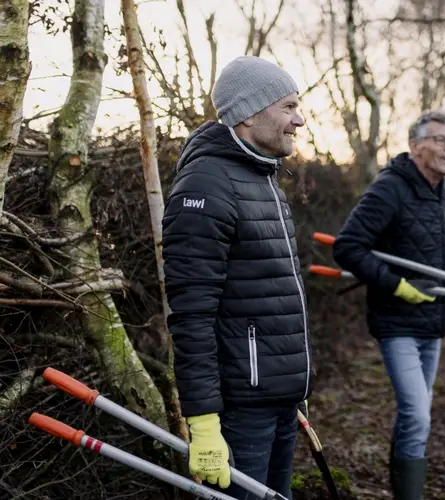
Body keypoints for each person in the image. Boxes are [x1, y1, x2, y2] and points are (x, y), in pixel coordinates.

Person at [161, 55, 311, 500]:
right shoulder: (206, 185)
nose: (299, 120)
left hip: (277, 399)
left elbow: (275, 298)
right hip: (239, 410)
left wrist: (294, 389)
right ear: (248, 113)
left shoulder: (264, 178)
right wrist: (203, 421)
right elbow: (191, 315)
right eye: (288, 107)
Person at [332, 110, 445, 499]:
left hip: (433, 323)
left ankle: (403, 488)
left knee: (416, 416)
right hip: (397, 323)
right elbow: (347, 247)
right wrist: (397, 285)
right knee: (417, 414)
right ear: (415, 145)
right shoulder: (390, 188)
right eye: (441, 140)